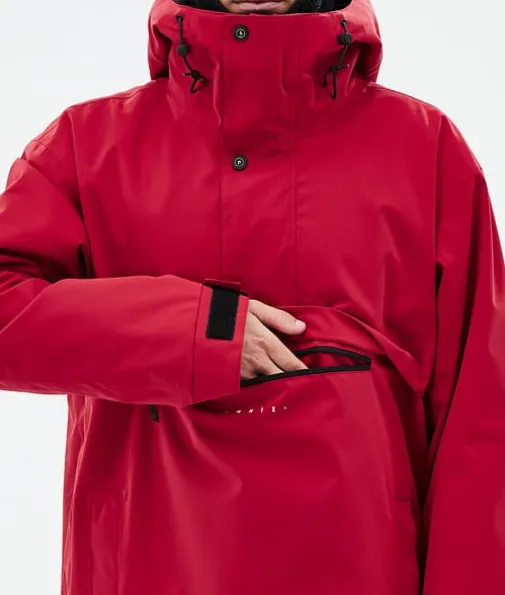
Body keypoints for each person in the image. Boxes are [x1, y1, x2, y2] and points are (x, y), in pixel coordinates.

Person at [0, 0, 504, 593]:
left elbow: (479, 426)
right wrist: (190, 332)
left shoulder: (426, 149)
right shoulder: (87, 147)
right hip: (151, 568)